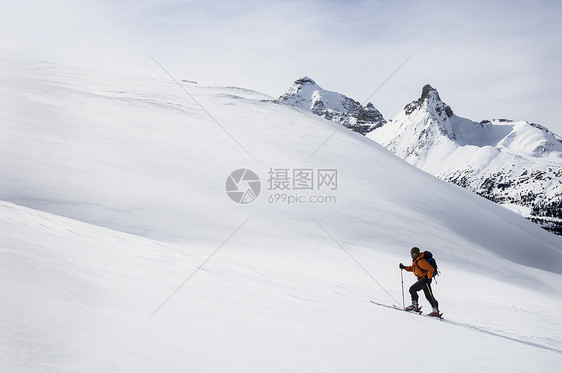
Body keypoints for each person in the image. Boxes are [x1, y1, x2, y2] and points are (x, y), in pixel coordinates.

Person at [399, 247, 440, 317]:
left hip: (425, 279)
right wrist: (404, 267)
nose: (411, 254)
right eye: (411, 253)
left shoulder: (421, 261)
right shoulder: (416, 261)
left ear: (416, 253)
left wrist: (428, 278)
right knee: (428, 295)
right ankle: (435, 311)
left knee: (412, 289)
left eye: (413, 253)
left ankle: (415, 306)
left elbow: (431, 269)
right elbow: (412, 268)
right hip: (424, 279)